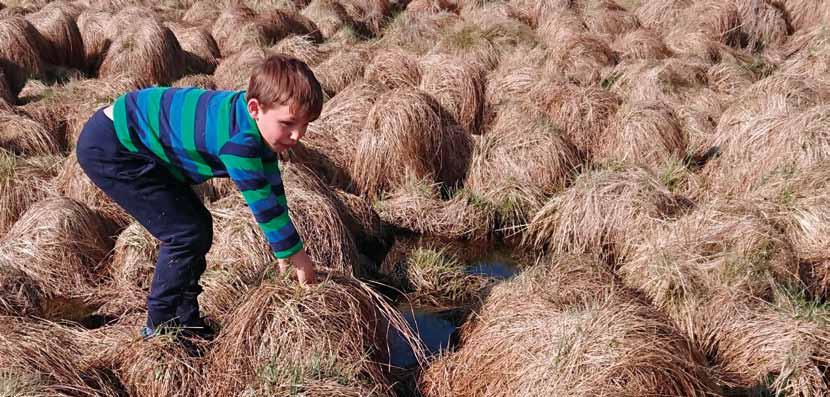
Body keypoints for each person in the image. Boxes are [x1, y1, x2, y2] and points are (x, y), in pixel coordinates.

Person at [75, 54, 321, 339]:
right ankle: (161, 328)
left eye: (305, 125)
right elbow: (262, 203)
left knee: (195, 228)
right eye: (289, 123)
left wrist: (285, 249)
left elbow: (271, 185)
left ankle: (185, 320)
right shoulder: (239, 142)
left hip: (137, 138)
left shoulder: (256, 124)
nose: (296, 135)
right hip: (113, 147)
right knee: (186, 233)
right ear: (255, 108)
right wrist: (294, 252)